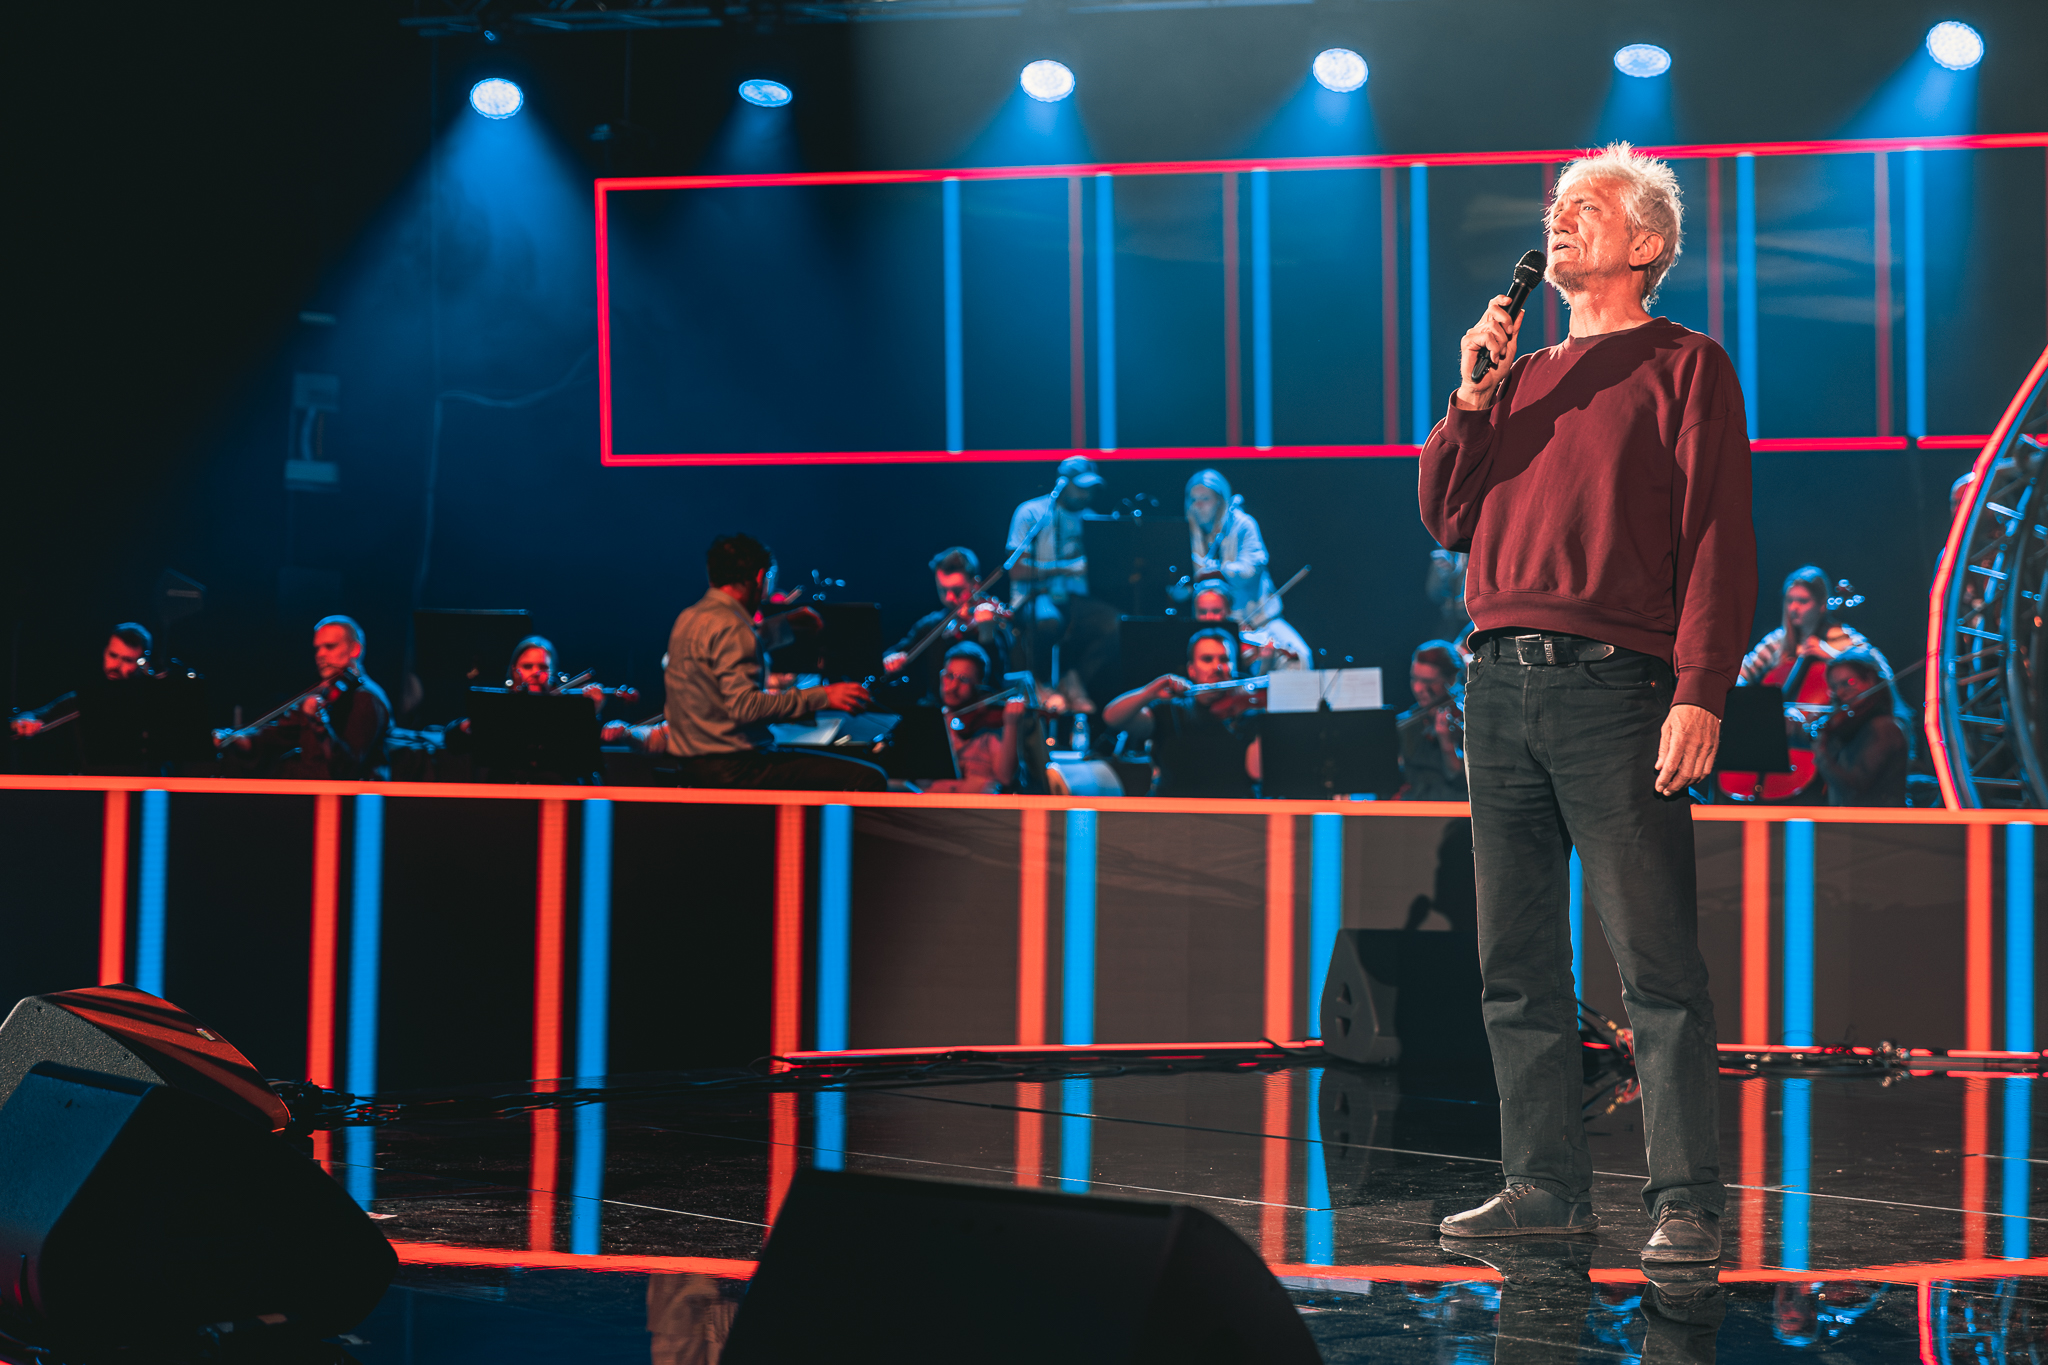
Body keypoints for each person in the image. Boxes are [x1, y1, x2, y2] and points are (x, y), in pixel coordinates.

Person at [1420, 142, 1756, 1263]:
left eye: (1588, 207)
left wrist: (1700, 690)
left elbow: (1716, 534)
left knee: (1654, 963)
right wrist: (1470, 398)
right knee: (1515, 962)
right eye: (1556, 206)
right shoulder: (1518, 374)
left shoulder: (1685, 363)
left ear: (1646, 242)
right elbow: (1445, 516)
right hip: (1495, 683)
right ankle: (1541, 1186)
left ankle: (1685, 1202)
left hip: (1616, 686)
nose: (1559, 220)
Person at [661, 533, 886, 791]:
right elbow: (746, 707)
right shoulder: (732, 626)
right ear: (760, 577)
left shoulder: (688, 618)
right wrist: (823, 696)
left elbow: (722, 652)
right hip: (736, 768)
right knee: (868, 778)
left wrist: (780, 626)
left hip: (693, 764)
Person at [1007, 456, 1118, 710]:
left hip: (1075, 599)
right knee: (1048, 620)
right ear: (1062, 483)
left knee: (1115, 624)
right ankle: (1041, 684)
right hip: (1035, 596)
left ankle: (1074, 679)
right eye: (1080, 487)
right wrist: (1067, 568)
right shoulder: (1031, 513)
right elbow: (1016, 570)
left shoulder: (1091, 519)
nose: (1086, 495)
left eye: (1091, 489)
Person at [1102, 628, 1261, 798]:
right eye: (1207, 659)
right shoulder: (1171, 710)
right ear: (1191, 669)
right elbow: (1112, 717)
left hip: (1235, 808)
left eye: (1224, 659)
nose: (1217, 667)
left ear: (1234, 667)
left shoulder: (1249, 715)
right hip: (1173, 808)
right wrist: (1149, 692)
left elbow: (1257, 773)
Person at [228, 616, 391, 780]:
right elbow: (279, 734)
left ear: (355, 649)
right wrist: (240, 740)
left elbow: (350, 768)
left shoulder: (366, 698)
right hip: (310, 789)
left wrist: (321, 727)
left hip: (350, 794)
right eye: (317, 648)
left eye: (330, 646)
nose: (320, 654)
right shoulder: (323, 694)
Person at [881, 547, 1014, 705]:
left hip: (981, 714)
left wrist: (987, 636)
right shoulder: (932, 624)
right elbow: (896, 652)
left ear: (976, 584)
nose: (950, 597)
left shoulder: (993, 623)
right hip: (935, 711)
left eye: (957, 591)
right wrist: (892, 659)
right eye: (943, 590)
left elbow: (997, 681)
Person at [1738, 566, 1889, 686]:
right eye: (1789, 600)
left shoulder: (1842, 637)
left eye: (1802, 601)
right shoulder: (1777, 641)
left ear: (1821, 605)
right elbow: (1740, 674)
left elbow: (1881, 670)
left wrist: (1831, 654)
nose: (1793, 608)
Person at [9, 623, 154, 737]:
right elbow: (36, 714)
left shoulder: (151, 701)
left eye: (127, 660)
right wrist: (22, 722)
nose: (116, 665)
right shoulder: (87, 696)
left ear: (143, 663)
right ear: (105, 651)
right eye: (113, 655)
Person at [920, 642, 1027, 794]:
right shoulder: (928, 721)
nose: (953, 687)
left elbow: (1005, 777)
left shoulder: (989, 729)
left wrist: (1011, 724)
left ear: (980, 684)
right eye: (949, 676)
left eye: (963, 679)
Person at [1810, 647, 1911, 807]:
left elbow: (1854, 788)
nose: (1841, 692)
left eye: (1849, 682)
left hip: (1878, 820)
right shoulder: (1854, 725)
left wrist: (1821, 753)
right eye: (1835, 687)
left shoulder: (1884, 727)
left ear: (1870, 679)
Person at [1395, 640, 1466, 802]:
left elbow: (1461, 780)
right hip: (1413, 806)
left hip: (1454, 806)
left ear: (1452, 680)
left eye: (1428, 682)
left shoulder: (1465, 720)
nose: (1418, 689)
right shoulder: (1408, 722)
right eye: (1414, 679)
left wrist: (1447, 743)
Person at [1191, 579, 1308, 673]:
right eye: (1202, 612)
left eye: (1216, 611)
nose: (1209, 617)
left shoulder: (1248, 639)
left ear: (1229, 611)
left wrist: (1265, 662)